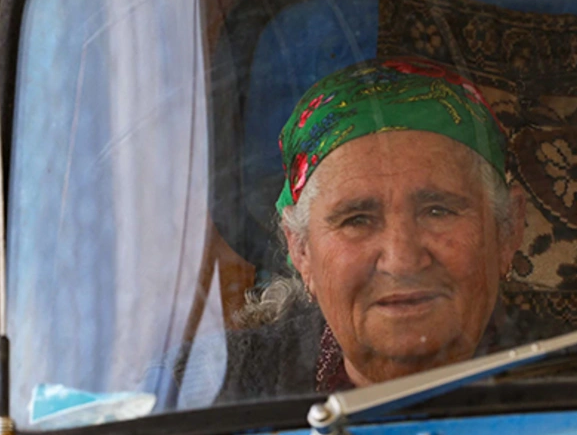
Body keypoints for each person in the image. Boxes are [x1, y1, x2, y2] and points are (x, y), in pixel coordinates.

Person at [220, 57, 526, 399]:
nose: (402, 262)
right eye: (357, 220)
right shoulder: (209, 392)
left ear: (507, 229)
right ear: (302, 250)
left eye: (438, 211)